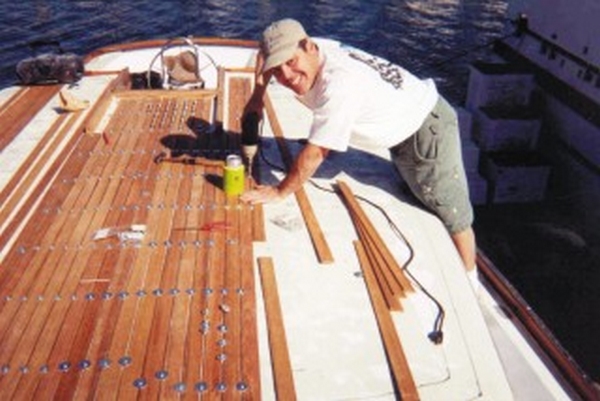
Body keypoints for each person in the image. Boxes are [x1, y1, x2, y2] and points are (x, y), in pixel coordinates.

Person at [241, 18, 478, 286]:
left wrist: (279, 191)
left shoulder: (339, 84)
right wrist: (257, 95)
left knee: (451, 213)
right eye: (277, 68)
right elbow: (264, 57)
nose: (286, 75)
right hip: (402, 126)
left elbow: (317, 153)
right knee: (417, 195)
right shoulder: (317, 48)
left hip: (424, 130)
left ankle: (471, 286)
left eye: (291, 62)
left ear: (308, 47)